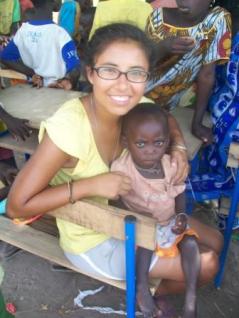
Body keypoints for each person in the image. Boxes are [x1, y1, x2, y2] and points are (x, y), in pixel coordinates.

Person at [6, 23, 221, 318]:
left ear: (147, 77)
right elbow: (17, 206)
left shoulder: (133, 106)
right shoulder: (70, 129)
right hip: (92, 239)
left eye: (136, 73)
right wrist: (91, 185)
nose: (123, 85)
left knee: (217, 241)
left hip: (134, 215)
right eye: (109, 70)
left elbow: (165, 117)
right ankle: (140, 291)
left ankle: (150, 285)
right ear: (90, 73)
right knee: (206, 264)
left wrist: (179, 147)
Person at [111, 103, 200, 318]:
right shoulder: (122, 168)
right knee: (146, 239)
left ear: (168, 141)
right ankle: (141, 287)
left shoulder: (169, 164)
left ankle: (191, 299)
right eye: (141, 144)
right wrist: (137, 217)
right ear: (126, 142)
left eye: (158, 143)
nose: (151, 150)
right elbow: (113, 200)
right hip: (143, 228)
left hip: (169, 222)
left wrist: (181, 215)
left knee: (191, 242)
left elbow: (179, 192)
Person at [145, 0, 231, 145]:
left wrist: (196, 124)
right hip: (138, 97)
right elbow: (136, 65)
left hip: (168, 104)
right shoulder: (156, 19)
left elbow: (207, 75)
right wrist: (162, 48)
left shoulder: (217, 20)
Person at [0, 0, 81, 90]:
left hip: (35, 90)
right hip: (57, 90)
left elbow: (4, 58)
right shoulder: (60, 34)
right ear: (54, 2)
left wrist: (32, 73)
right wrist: (68, 81)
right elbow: (75, 68)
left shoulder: (22, 32)